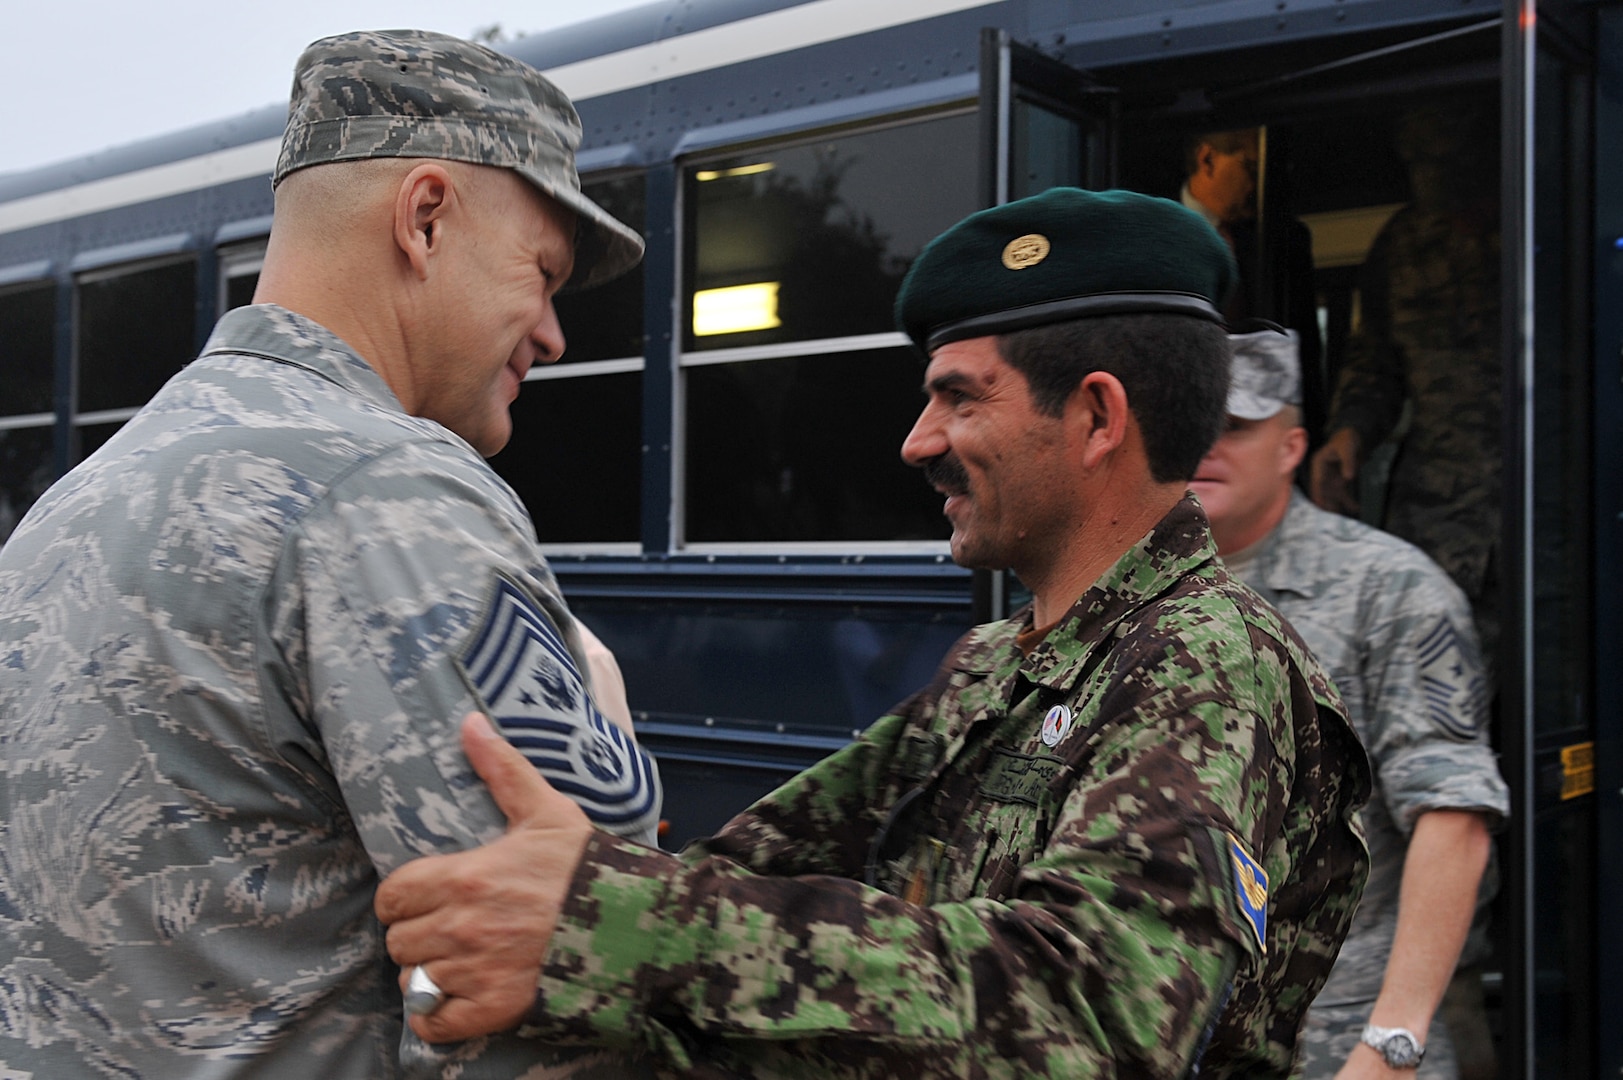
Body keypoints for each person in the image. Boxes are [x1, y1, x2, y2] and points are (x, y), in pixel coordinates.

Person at [374, 187, 1372, 1078]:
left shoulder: (1209, 661)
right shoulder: (996, 668)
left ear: (1098, 417)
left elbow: (1092, 1014)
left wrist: (608, 916)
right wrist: (561, 910)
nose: (917, 442)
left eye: (958, 396)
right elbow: (765, 867)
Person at [0, 30, 662, 1078]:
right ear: (426, 217)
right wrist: (614, 770)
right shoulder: (391, 490)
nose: (551, 333)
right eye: (541, 275)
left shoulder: (71, 507)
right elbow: (520, 996)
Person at [1190, 330, 1509, 1078]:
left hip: (1341, 1030)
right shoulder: (1139, 592)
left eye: (1235, 427)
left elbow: (1453, 817)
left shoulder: (1389, 590)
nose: (1207, 445)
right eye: (1193, 420)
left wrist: (1390, 1046)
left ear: (1291, 446)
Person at [1308, 99, 1500, 664]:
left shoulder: (1561, 210)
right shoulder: (1406, 244)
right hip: (1439, 517)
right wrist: (1349, 435)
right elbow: (1376, 365)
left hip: (1558, 517)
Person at [1182, 127, 1327, 454]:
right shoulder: (1151, 230)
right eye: (1251, 168)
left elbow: (1306, 353)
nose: (1259, 186)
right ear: (1208, 160)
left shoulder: (1285, 241)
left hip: (1264, 438)